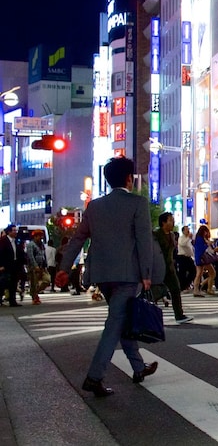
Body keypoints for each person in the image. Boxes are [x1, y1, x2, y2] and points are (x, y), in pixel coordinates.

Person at [59, 157, 159, 396]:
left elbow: (78, 239)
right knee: (115, 323)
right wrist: (147, 273)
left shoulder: (94, 206)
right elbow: (144, 240)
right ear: (129, 179)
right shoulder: (137, 203)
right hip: (128, 275)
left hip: (102, 275)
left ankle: (138, 367)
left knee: (121, 318)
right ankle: (94, 377)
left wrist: (64, 267)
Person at [155, 213, 192, 323]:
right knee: (155, 293)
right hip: (157, 267)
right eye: (170, 220)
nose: (173, 223)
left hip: (170, 267)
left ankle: (179, 315)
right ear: (163, 222)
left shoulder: (172, 235)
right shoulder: (156, 234)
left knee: (175, 289)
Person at [192, 225, 216, 296]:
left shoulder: (198, 238)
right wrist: (207, 244)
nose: (206, 233)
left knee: (199, 274)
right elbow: (201, 248)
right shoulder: (200, 238)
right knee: (211, 272)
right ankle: (206, 288)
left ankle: (196, 289)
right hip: (202, 258)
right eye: (205, 231)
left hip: (200, 257)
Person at [24, 231, 47, 305]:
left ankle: (34, 292)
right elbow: (30, 256)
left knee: (47, 280)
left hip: (42, 266)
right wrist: (35, 265)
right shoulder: (31, 245)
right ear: (35, 236)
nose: (41, 237)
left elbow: (44, 255)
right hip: (33, 267)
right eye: (40, 236)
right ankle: (35, 297)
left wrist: (45, 264)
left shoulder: (42, 245)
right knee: (34, 282)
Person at [0, 225, 20, 306]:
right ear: (9, 232)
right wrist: (1, 265)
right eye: (14, 230)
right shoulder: (3, 241)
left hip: (14, 265)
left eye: (16, 230)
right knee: (3, 283)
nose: (15, 232)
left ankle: (12, 300)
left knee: (13, 283)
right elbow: (0, 253)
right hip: (6, 266)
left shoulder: (15, 241)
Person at [176, 226, 195, 291]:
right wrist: (188, 238)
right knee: (182, 273)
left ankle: (186, 284)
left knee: (193, 271)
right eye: (186, 229)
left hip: (188, 257)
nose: (188, 231)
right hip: (182, 257)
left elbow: (190, 248)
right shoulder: (181, 238)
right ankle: (183, 287)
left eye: (188, 229)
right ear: (183, 231)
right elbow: (182, 244)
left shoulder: (189, 239)